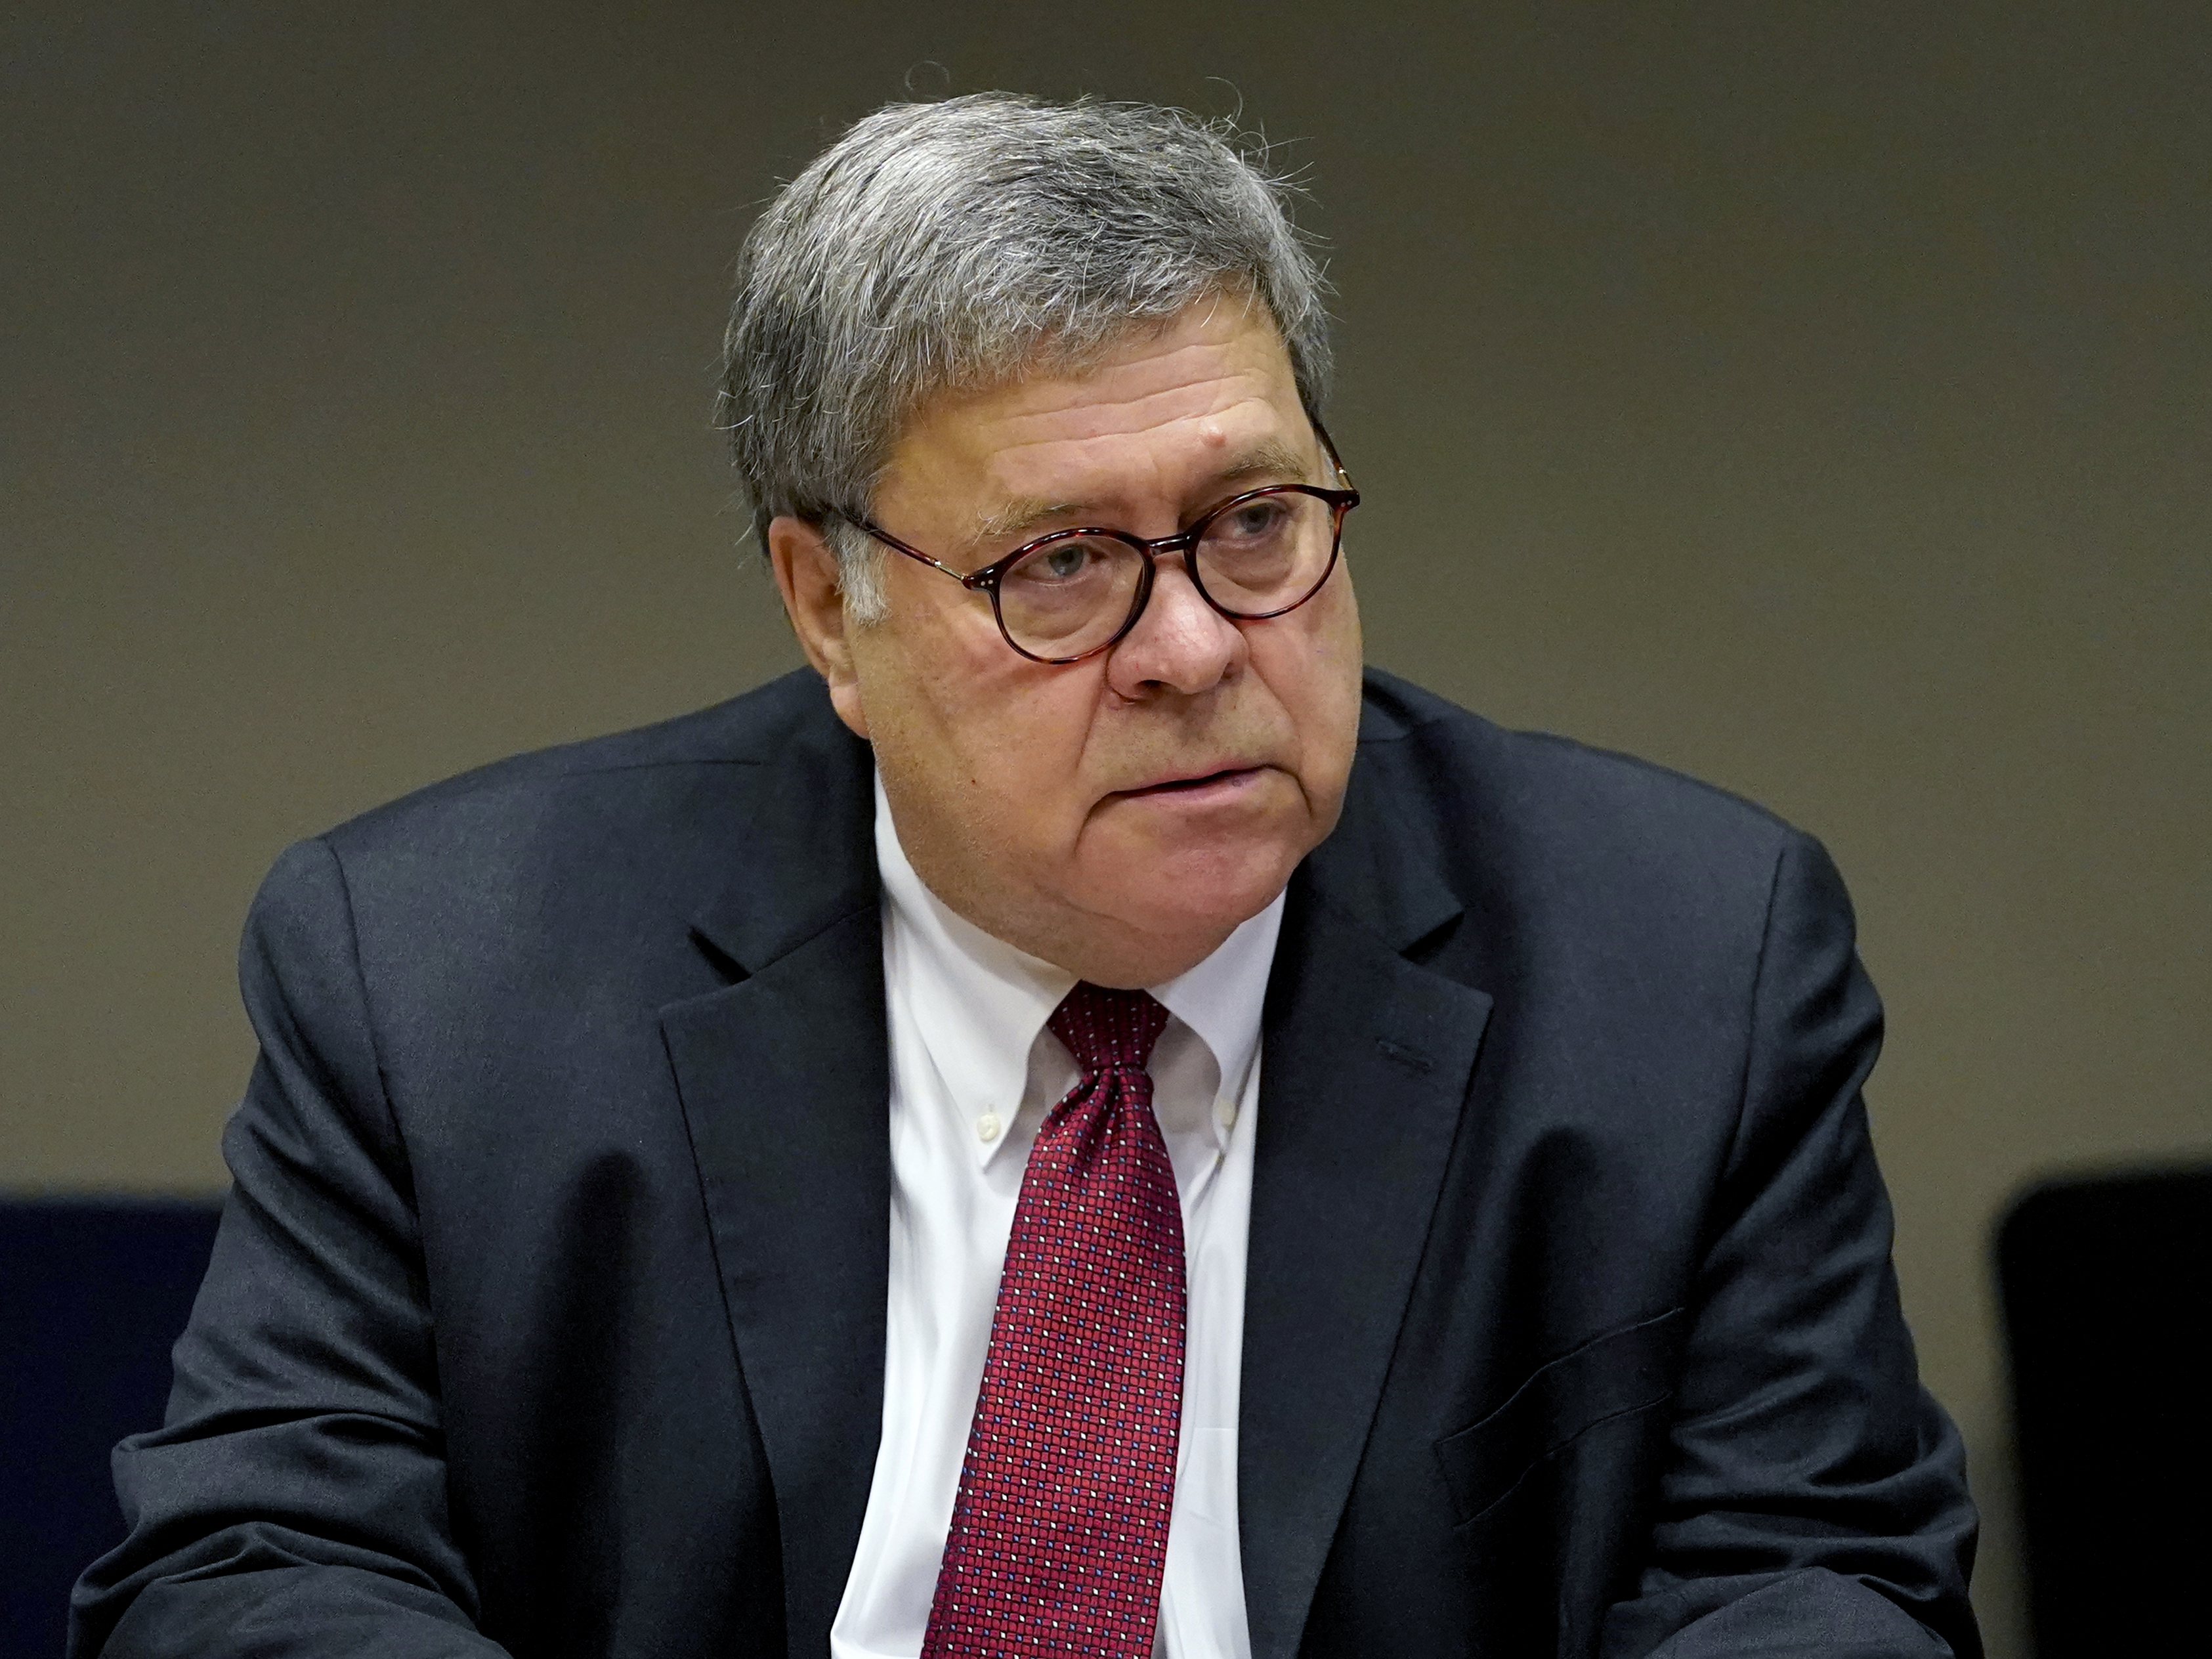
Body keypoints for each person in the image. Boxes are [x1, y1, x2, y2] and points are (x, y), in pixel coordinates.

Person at [72, 94, 1978, 1659]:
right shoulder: (439, 971)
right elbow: (252, 1575)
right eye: (1058, 565)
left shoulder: (1680, 956)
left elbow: (1814, 1582)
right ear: (831, 607)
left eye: (1251, 524)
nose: (1194, 647)